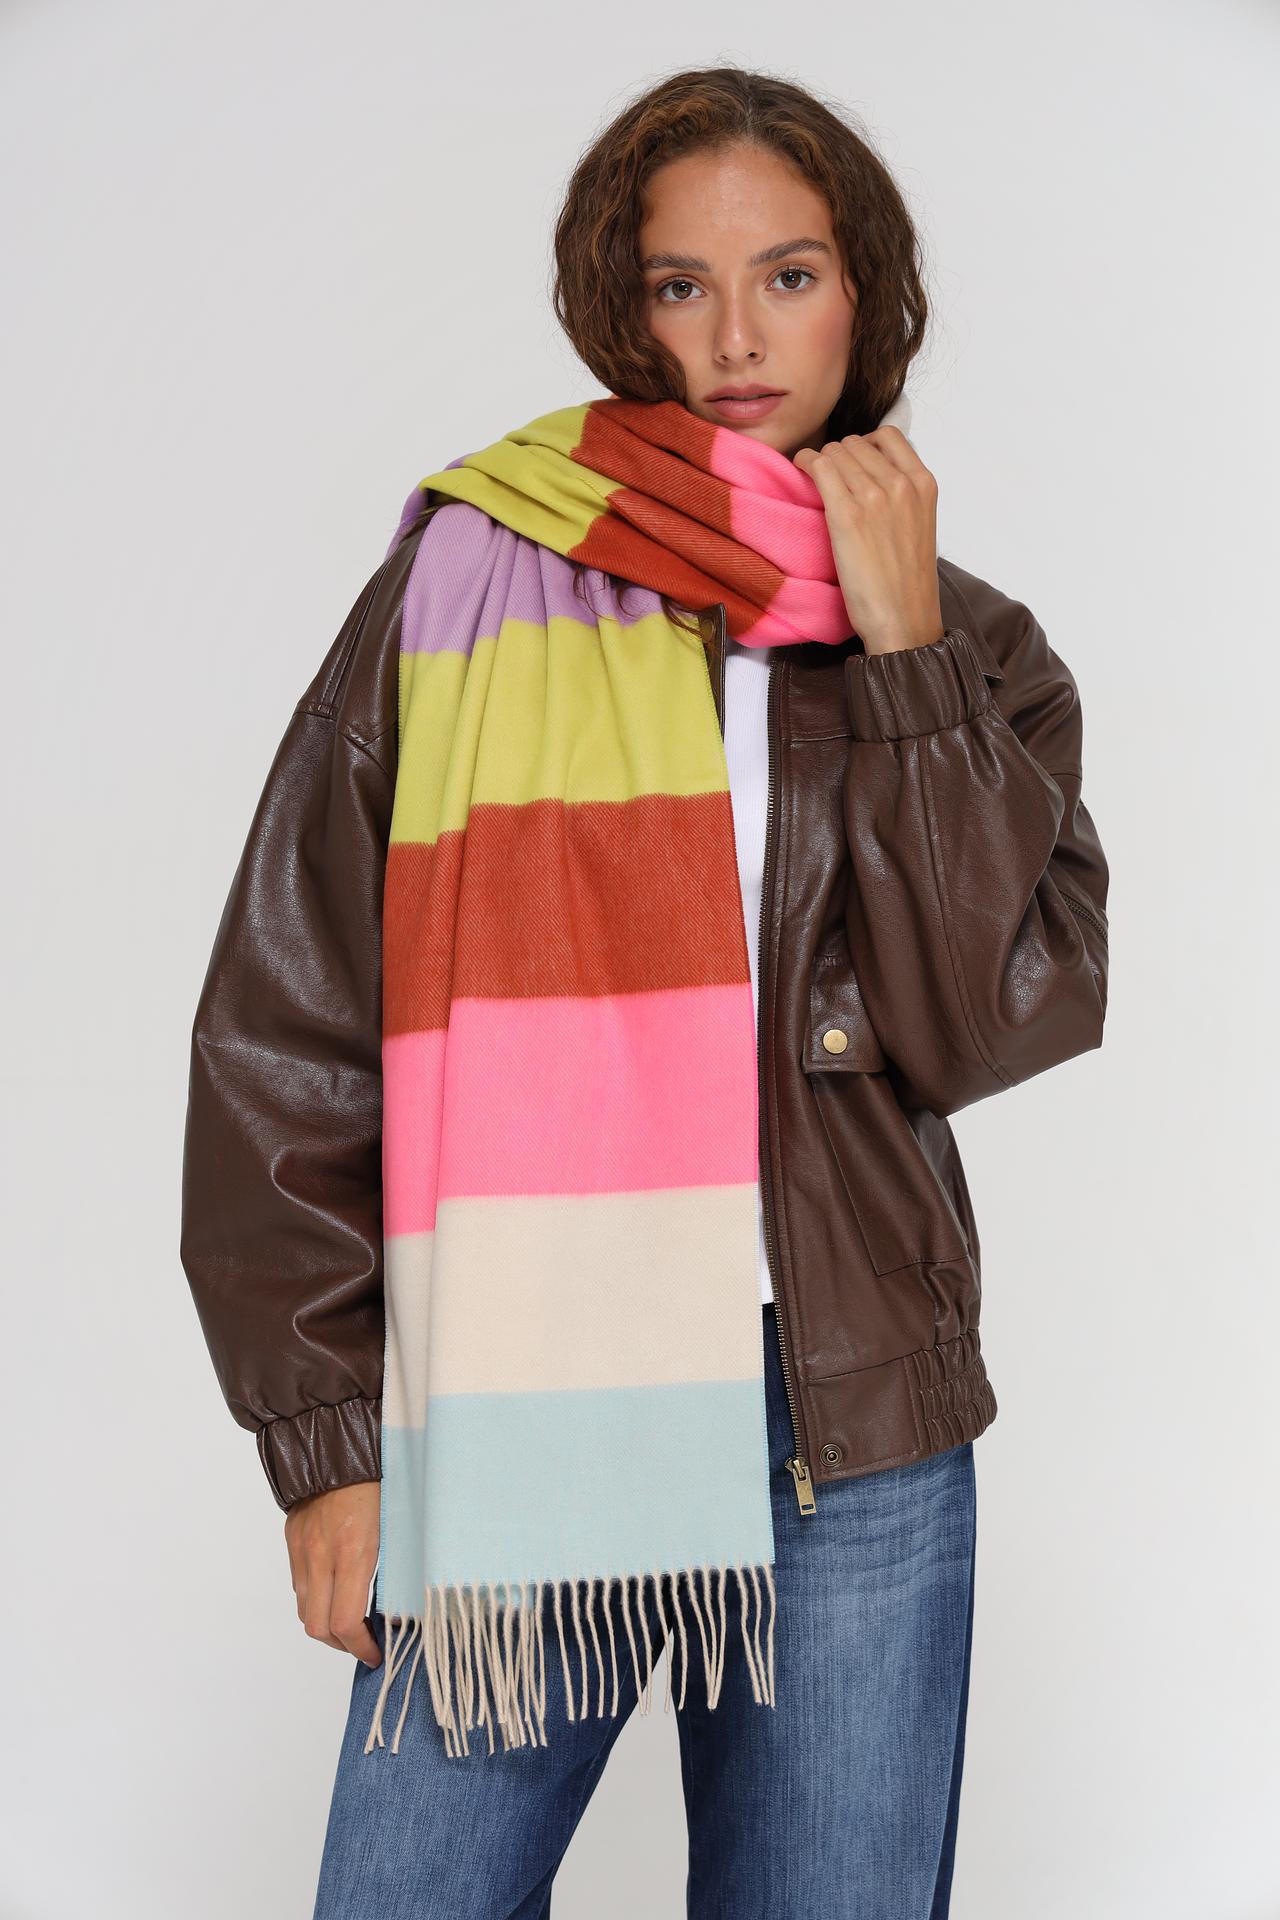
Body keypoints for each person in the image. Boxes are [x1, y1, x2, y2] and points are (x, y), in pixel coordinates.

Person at [179, 64, 1110, 1920]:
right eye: (684, 285)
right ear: (624, 308)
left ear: (867, 296)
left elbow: (987, 1024)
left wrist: (907, 658)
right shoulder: (472, 582)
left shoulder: (973, 648)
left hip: (849, 1421)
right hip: (522, 1393)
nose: (738, 337)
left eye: (790, 275)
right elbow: (287, 1030)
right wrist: (328, 1448)